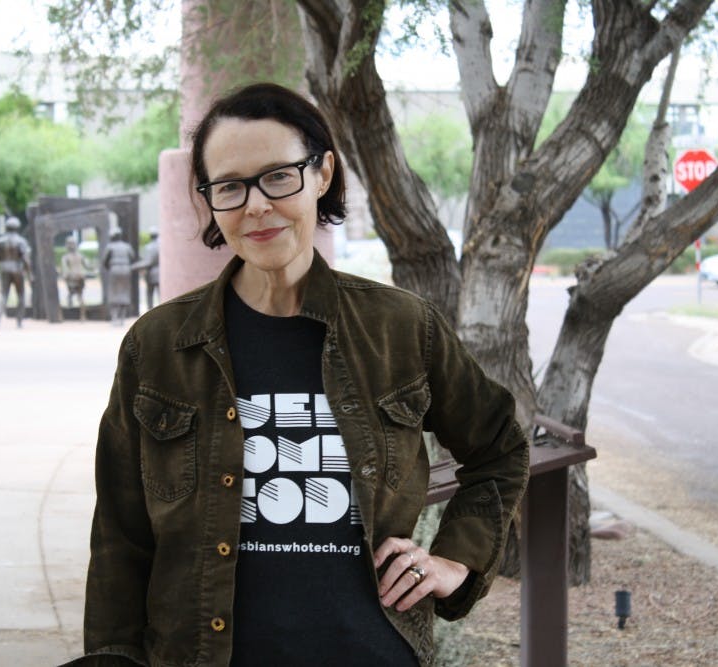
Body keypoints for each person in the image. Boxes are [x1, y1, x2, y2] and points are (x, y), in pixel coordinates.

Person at [72, 83, 528, 667]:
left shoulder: (401, 329)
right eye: (230, 187)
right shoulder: (159, 347)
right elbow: (119, 536)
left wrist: (454, 561)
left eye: (278, 176)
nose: (256, 205)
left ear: (322, 174)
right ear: (209, 199)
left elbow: (500, 448)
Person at [0, 216, 31, 329]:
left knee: (4, 295)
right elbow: (26, 259)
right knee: (21, 296)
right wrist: (29, 274)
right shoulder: (21, 241)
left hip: (4, 268)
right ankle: (19, 321)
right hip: (17, 269)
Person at [101, 229, 135, 325]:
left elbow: (104, 261)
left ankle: (114, 317)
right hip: (126, 269)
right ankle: (122, 318)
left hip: (114, 269)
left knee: (114, 292)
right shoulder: (127, 246)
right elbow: (132, 257)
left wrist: (109, 268)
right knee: (124, 291)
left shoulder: (110, 246)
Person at [60, 236, 93, 320]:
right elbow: (88, 266)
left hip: (73, 278)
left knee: (75, 295)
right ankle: (82, 316)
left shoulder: (67, 257)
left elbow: (65, 269)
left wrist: (65, 276)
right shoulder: (78, 256)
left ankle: (76, 313)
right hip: (78, 277)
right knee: (79, 296)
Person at [130, 228, 160, 310]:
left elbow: (148, 262)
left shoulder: (148, 247)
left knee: (149, 294)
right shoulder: (162, 247)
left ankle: (150, 311)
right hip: (160, 274)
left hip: (151, 274)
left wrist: (133, 266)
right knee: (160, 294)